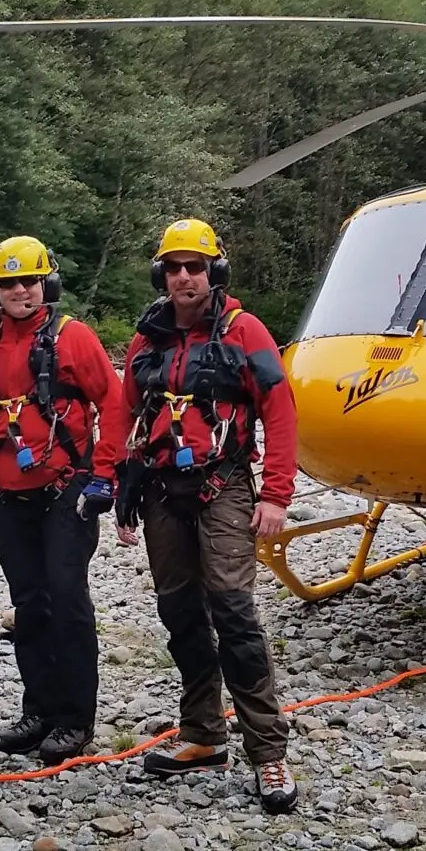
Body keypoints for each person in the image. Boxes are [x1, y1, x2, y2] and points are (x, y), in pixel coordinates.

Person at [112, 217, 300, 813]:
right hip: (162, 491)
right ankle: (201, 734)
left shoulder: (244, 332)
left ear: (213, 271)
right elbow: (124, 415)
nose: (184, 277)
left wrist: (275, 495)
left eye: (195, 266)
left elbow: (281, 409)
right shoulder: (147, 340)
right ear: (161, 274)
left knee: (233, 611)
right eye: (174, 267)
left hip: (225, 487)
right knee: (180, 612)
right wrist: (122, 488)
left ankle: (269, 754)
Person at [0, 235, 129, 766]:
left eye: (29, 281)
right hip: (9, 493)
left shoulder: (74, 339)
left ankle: (75, 718)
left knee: (66, 598)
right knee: (28, 603)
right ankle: (39, 709)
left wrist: (104, 475)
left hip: (67, 490)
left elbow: (116, 403)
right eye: (8, 283)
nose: (20, 291)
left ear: (46, 283)